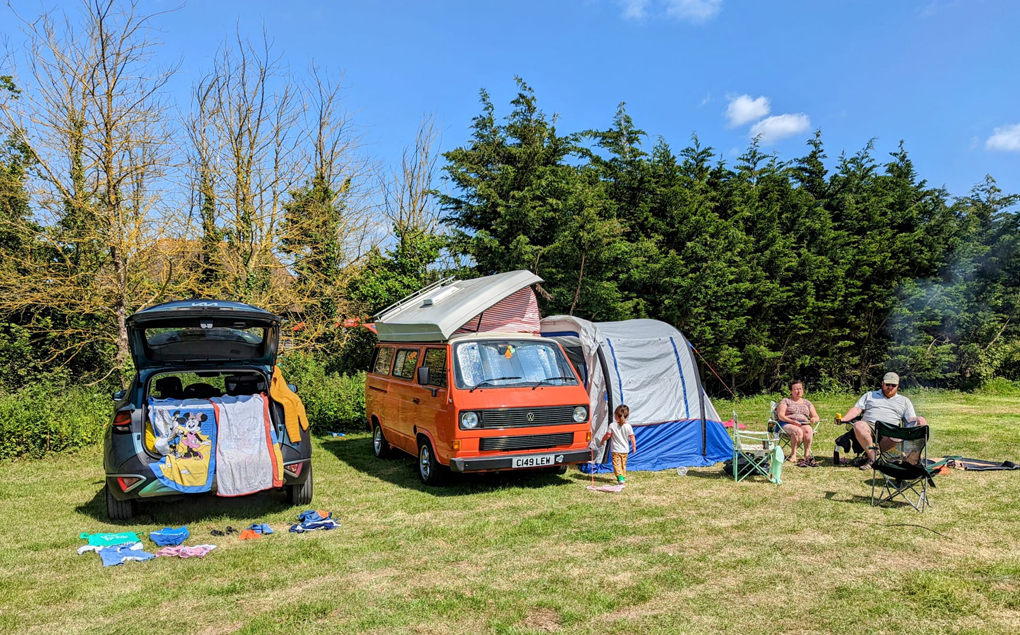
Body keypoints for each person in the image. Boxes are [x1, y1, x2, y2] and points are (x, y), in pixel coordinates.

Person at [835, 372, 928, 470]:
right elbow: (857, 409)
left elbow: (910, 418)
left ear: (898, 385)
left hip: (890, 429)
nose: (890, 387)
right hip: (869, 425)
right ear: (882, 383)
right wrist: (844, 419)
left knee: (898, 437)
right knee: (859, 425)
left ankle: (873, 456)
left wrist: (919, 418)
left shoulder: (904, 401)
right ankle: (873, 458)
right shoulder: (870, 395)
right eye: (888, 384)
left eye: (893, 385)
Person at [776, 379, 820, 467]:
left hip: (803, 423)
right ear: (791, 391)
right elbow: (781, 416)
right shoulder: (786, 401)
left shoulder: (807, 403)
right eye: (796, 389)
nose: (799, 391)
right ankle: (793, 455)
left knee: (808, 429)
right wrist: (792, 421)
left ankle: (806, 455)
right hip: (786, 423)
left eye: (800, 389)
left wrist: (814, 419)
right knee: (797, 431)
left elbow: (816, 416)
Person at [602, 404, 636, 484]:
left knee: (617, 464)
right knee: (623, 464)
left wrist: (603, 440)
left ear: (615, 415)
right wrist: (634, 446)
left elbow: (608, 435)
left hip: (616, 450)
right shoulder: (628, 426)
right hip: (625, 450)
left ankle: (620, 478)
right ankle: (622, 477)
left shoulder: (612, 425)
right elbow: (632, 437)